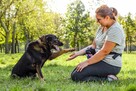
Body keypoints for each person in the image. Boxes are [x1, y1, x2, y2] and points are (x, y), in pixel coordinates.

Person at [67, 5, 126, 82]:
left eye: (99, 19)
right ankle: (105, 76)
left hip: (110, 64)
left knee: (77, 76)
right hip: (100, 60)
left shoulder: (115, 30)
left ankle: (109, 79)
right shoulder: (101, 27)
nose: (97, 22)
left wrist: (86, 62)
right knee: (75, 73)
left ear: (107, 18)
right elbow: (93, 45)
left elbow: (104, 52)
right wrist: (77, 53)